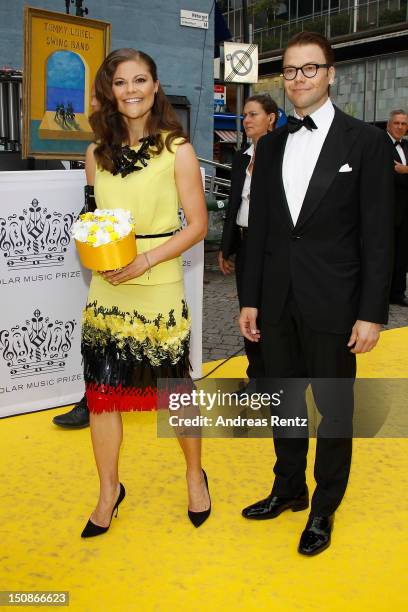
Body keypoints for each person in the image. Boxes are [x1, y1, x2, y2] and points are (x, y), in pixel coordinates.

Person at [239, 32, 393, 556]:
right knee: (282, 402)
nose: (299, 79)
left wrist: (372, 313)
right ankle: (289, 489)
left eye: (310, 69)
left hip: (335, 302)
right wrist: (249, 299)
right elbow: (258, 229)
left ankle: (326, 505)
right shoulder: (272, 143)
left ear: (331, 74)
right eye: (290, 70)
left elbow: (379, 236)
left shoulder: (365, 142)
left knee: (334, 409)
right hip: (277, 299)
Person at [79, 48, 209, 537]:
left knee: (174, 391)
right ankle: (109, 490)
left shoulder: (178, 149)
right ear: (109, 92)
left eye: (140, 80)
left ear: (155, 86)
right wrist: (99, 253)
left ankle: (195, 475)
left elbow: (197, 225)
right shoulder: (95, 154)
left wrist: (147, 260)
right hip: (108, 286)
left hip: (157, 283)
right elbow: (95, 218)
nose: (130, 90)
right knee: (102, 395)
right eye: (120, 82)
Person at [219, 94, 278, 383]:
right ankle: (256, 376)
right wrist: (226, 247)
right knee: (248, 311)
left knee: (272, 315)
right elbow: (234, 205)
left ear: (271, 118)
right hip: (244, 244)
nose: (246, 121)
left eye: (253, 114)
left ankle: (277, 377)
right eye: (244, 116)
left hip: (273, 248)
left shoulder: (282, 156)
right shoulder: (242, 158)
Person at [53, 85, 101, 429]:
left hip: (152, 260)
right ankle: (92, 401)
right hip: (110, 258)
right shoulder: (95, 150)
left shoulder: (164, 148)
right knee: (98, 338)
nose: (92, 107)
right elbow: (94, 206)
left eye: (97, 100)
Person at [386, 109, 408, 307]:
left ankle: (398, 293)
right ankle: (381, 295)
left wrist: (405, 170)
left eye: (404, 124)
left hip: (405, 212)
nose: (400, 127)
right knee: (384, 255)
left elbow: (400, 175)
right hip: (386, 210)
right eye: (397, 123)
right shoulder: (380, 144)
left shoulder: (407, 146)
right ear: (388, 125)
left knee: (402, 255)